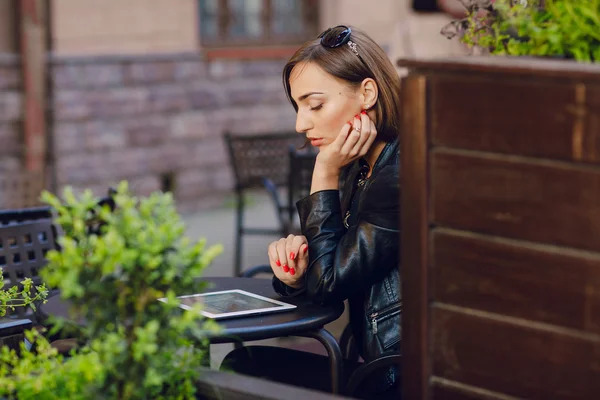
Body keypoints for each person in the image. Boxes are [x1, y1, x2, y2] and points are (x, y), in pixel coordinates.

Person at [220, 25, 401, 399]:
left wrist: (324, 172)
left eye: (315, 105)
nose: (301, 124)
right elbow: (326, 284)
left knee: (242, 368)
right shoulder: (363, 167)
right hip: (373, 363)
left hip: (393, 379)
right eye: (298, 106)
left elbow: (331, 283)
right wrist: (299, 275)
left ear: (367, 92)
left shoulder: (397, 174)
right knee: (244, 366)